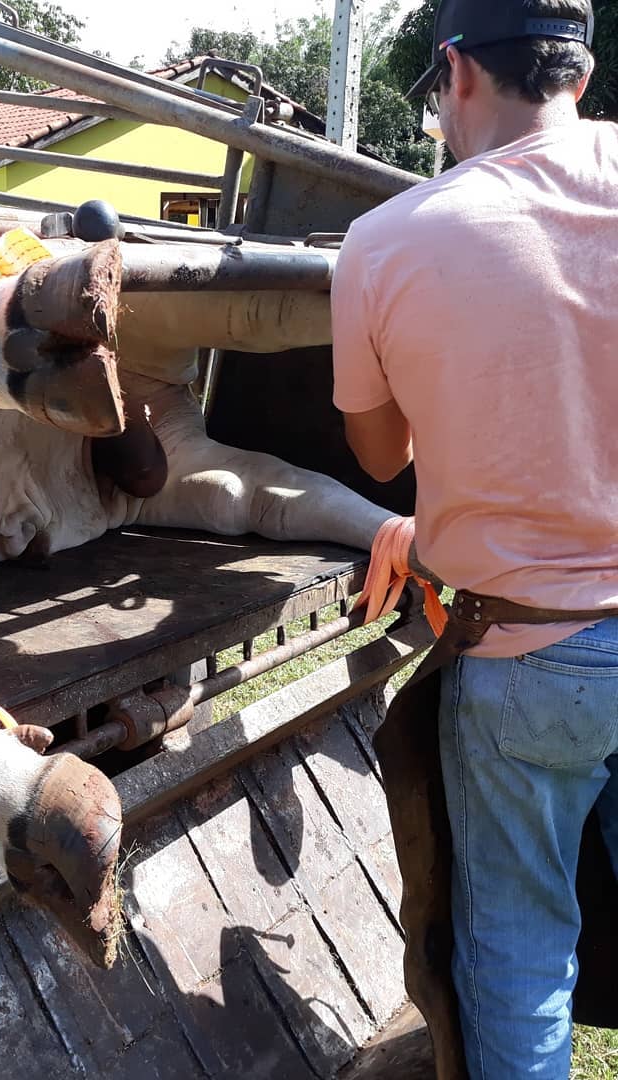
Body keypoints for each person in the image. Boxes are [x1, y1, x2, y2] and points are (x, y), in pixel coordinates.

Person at [330, 1, 618, 1077]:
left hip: (526, 656)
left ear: (453, 72)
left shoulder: (390, 236)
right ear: (578, 74)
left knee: (520, 959)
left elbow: (379, 451)